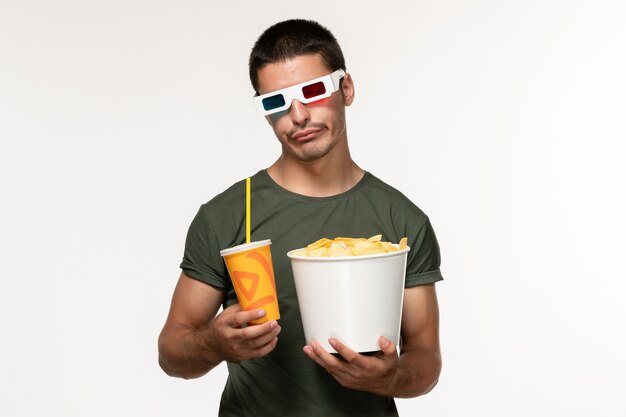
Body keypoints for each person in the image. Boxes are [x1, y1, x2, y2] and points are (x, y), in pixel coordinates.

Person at [158, 19, 443, 417]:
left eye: (312, 92)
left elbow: (426, 359)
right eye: (275, 102)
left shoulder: (401, 220)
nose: (298, 115)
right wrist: (214, 344)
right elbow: (173, 353)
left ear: (346, 89)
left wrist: (387, 378)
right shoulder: (227, 216)